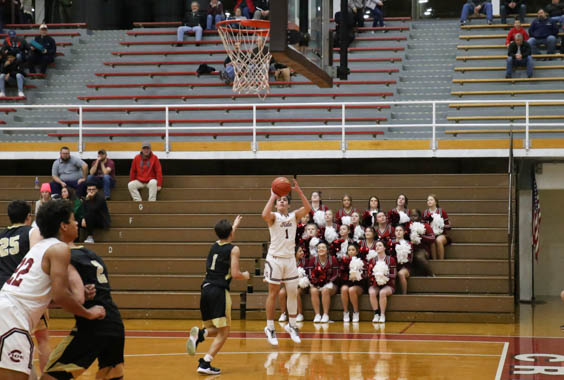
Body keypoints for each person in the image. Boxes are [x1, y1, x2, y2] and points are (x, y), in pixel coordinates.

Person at [0, 200, 105, 380]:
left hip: (7, 310)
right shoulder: (59, 248)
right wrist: (88, 313)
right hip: (12, 318)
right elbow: (61, 295)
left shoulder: (41, 246)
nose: (77, 223)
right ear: (63, 226)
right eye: (73, 220)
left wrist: (74, 296)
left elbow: (45, 296)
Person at [42, 243, 125, 380]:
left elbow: (76, 297)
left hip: (92, 325)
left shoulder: (63, 257)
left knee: (52, 375)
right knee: (112, 374)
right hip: (115, 323)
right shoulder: (92, 254)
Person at [186, 217, 250, 375]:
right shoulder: (234, 249)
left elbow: (226, 238)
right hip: (219, 291)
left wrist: (234, 226)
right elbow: (235, 274)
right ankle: (206, 362)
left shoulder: (214, 245)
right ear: (230, 234)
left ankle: (201, 334)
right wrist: (246, 275)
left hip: (206, 289)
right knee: (225, 332)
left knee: (212, 328)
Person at [0, 201, 50, 374]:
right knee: (42, 338)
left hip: (3, 293)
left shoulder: (1, 236)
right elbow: (39, 259)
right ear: (29, 217)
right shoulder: (31, 232)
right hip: (23, 292)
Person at [262, 179, 311, 346]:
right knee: (273, 293)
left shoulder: (294, 215)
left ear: (288, 205)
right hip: (274, 259)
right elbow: (264, 215)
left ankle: (292, 325)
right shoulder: (273, 217)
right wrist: (272, 196)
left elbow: (308, 209)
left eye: (284, 200)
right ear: (276, 205)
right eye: (279, 200)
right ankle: (270, 328)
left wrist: (299, 192)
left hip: (290, 259)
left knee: (292, 292)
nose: (282, 201)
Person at [307, 240, 339, 323]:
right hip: (316, 284)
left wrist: (326, 282)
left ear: (327, 250)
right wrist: (316, 282)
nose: (321, 249)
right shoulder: (313, 260)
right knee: (313, 290)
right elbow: (310, 274)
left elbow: (336, 274)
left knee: (325, 290)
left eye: (323, 247)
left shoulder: (333, 259)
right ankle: (317, 315)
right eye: (319, 248)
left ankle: (325, 315)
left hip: (330, 284)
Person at [367, 240, 396, 323]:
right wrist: (376, 276)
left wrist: (383, 275)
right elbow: (369, 275)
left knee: (382, 293)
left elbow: (394, 275)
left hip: (389, 285)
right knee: (372, 292)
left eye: (380, 245)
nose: (377, 247)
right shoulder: (372, 260)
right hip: (375, 284)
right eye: (376, 246)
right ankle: (376, 314)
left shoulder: (391, 259)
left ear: (384, 247)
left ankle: (382, 315)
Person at [278, 245, 307, 323]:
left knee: (296, 292)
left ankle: (300, 314)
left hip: (301, 285)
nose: (302, 253)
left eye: (302, 251)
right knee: (281, 293)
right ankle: (283, 314)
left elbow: (307, 276)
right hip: (289, 284)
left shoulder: (305, 261)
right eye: (300, 251)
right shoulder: (288, 263)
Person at [339, 243, 366, 323]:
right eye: (349, 250)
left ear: (357, 252)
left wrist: (357, 275)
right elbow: (341, 275)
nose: (351, 251)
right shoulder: (344, 261)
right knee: (344, 289)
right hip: (347, 283)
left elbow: (365, 276)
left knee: (351, 290)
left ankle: (356, 312)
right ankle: (346, 312)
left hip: (359, 285)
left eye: (353, 250)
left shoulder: (361, 262)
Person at [423, 194, 452, 260]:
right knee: (432, 241)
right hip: (431, 235)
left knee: (438, 240)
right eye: (428, 200)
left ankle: (441, 261)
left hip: (441, 234)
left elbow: (449, 227)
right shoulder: (425, 213)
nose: (429, 201)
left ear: (436, 202)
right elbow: (423, 226)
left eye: (431, 200)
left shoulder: (441, 211)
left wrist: (441, 225)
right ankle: (435, 261)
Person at [408, 209, 435, 277]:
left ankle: (431, 274)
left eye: (415, 216)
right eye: (411, 216)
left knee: (419, 257)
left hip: (422, 250)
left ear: (420, 217)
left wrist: (421, 237)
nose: (413, 218)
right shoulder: (408, 226)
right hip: (410, 249)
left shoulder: (425, 225)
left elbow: (432, 238)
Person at [388, 225, 412, 295]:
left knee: (401, 274)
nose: (398, 232)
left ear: (404, 232)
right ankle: (391, 291)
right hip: (393, 265)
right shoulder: (390, 243)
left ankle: (404, 294)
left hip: (404, 266)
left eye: (400, 230)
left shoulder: (408, 243)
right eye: (396, 230)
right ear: (394, 233)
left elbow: (410, 259)